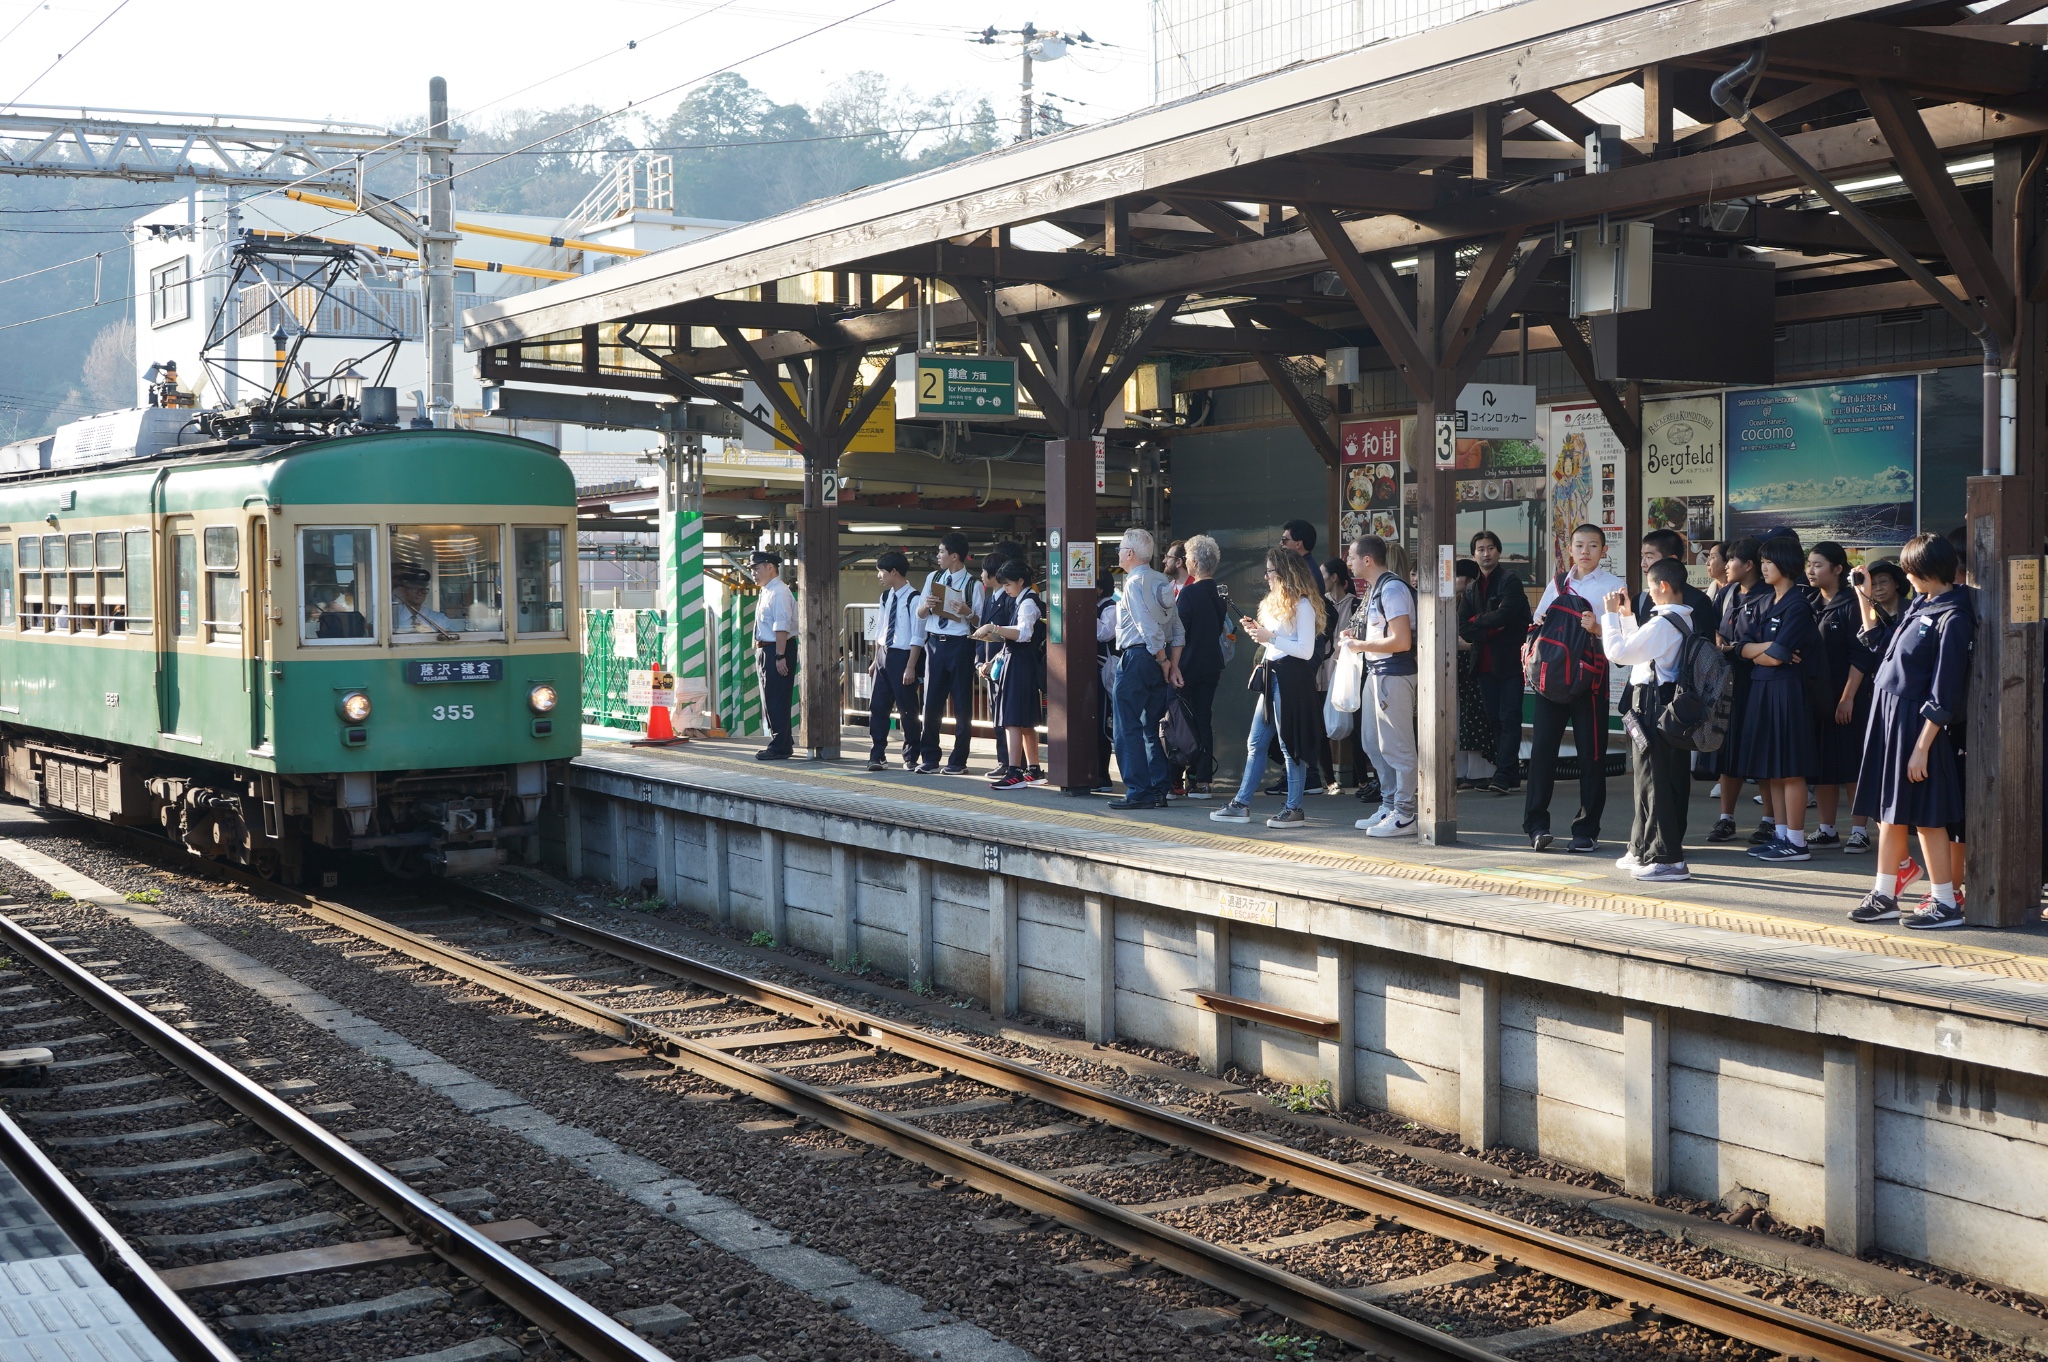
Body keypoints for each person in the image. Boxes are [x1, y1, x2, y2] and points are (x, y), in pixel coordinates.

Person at [1848, 533, 1975, 929]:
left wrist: (1922, 746)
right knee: (1890, 812)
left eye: (1909, 569)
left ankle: (1944, 902)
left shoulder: (1953, 616)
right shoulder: (1924, 603)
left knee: (1926, 814)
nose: (1905, 576)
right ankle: (1885, 893)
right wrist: (1864, 596)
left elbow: (1944, 690)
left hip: (1915, 725)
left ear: (1923, 569)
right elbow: (1880, 645)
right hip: (1889, 716)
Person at [1524, 523, 1625, 852]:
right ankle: (1536, 826)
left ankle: (1587, 829)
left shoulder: (1614, 586)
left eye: (1593, 546)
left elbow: (1625, 638)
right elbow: (1539, 623)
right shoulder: (1557, 583)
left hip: (1590, 683)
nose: (1585, 551)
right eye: (1579, 545)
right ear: (1570, 549)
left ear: (1603, 551)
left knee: (1591, 757)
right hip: (1550, 682)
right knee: (1541, 755)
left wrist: (1597, 627)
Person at [1210, 548, 1325, 831]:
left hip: (1290, 679)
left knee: (1289, 746)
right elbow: (1279, 642)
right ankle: (1241, 804)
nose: (1266, 576)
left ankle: (1293, 807)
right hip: (1273, 676)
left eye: (1270, 571)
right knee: (1256, 742)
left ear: (1285, 573)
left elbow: (1306, 650)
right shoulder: (1277, 604)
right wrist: (1261, 633)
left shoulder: (1303, 605)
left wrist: (1268, 636)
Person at [1602, 558, 1697, 881]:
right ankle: (1641, 847)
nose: (1648, 592)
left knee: (1656, 782)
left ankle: (1669, 858)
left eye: (1650, 586)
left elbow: (1620, 653)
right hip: (1662, 704)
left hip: (1654, 704)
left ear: (1663, 587)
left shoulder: (1663, 623)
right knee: (1648, 780)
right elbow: (1641, 651)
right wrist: (1627, 617)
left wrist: (1609, 617)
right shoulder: (1678, 621)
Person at [1736, 537, 1820, 862]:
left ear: (1785, 563)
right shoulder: (1767, 601)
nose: (1763, 567)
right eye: (1762, 561)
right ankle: (1782, 836)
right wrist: (1765, 649)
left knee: (1791, 768)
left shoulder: (1798, 605)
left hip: (1786, 690)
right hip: (1764, 688)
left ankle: (1796, 841)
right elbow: (1742, 647)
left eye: (1769, 561)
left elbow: (1777, 656)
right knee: (1772, 768)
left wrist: (1764, 652)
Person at [1341, 534, 1419, 837]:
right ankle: (1390, 804)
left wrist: (1360, 644)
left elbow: (1401, 640)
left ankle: (1405, 812)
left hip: (1394, 673)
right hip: (1377, 671)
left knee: (1397, 747)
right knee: (1373, 743)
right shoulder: (1377, 589)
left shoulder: (1393, 588)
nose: (1348, 561)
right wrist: (1356, 638)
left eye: (1351, 556)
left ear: (1367, 560)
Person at [1108, 529, 1181, 811]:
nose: (1118, 554)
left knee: (1127, 726)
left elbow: (1145, 626)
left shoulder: (1134, 583)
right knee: (1151, 727)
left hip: (1138, 657)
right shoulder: (1162, 580)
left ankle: (1139, 790)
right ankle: (1159, 789)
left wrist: (1164, 660)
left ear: (1129, 554)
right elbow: (1177, 628)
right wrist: (1171, 664)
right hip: (1157, 660)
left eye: (1120, 549)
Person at [1839, 561, 1907, 854]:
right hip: (1876, 696)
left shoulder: (1910, 612)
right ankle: (1893, 851)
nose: (1877, 589)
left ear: (1897, 584)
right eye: (1873, 583)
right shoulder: (1870, 612)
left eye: (1883, 582)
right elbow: (1865, 653)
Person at [1706, 538, 1766, 842]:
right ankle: (1725, 818)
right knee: (1728, 752)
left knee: (1760, 751)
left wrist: (1737, 648)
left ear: (1749, 565)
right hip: (1727, 680)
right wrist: (1721, 643)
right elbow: (1712, 627)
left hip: (1759, 681)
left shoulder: (1768, 595)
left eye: (1731, 560)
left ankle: (1769, 819)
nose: (1726, 565)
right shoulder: (1727, 593)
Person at [1465, 530, 1530, 794]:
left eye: (1490, 548)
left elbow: (1507, 615)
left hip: (1510, 662)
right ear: (1473, 554)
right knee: (1494, 720)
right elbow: (1462, 627)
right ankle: (1508, 772)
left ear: (1498, 551)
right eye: (1480, 549)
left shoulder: (1510, 580)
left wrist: (1477, 621)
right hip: (1483, 664)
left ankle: (1503, 774)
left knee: (1509, 718)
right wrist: (1488, 627)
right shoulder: (1470, 587)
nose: (1486, 553)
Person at [1806, 542, 1861, 847]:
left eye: (1818, 565)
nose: (1811, 570)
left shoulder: (1853, 604)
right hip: (1818, 697)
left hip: (1848, 696)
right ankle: (1826, 828)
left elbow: (1861, 655)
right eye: (1809, 564)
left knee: (1851, 764)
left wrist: (1848, 697)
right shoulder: (1810, 603)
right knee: (1823, 765)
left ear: (1838, 569)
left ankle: (1860, 831)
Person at [973, 558, 1045, 789]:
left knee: (1012, 719)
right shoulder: (1022, 600)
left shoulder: (1027, 603)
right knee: (1025, 722)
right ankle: (1033, 769)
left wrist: (994, 628)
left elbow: (1023, 633)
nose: (1005, 589)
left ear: (1021, 581)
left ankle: (1014, 772)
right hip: (1021, 662)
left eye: (1008, 585)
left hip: (1020, 664)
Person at [915, 533, 981, 775]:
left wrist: (967, 612)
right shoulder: (933, 577)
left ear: (955, 556)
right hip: (934, 645)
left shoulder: (973, 584)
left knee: (962, 704)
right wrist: (927, 606)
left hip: (961, 644)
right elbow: (920, 614)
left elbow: (980, 622)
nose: (938, 556)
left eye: (941, 552)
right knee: (931, 702)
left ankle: (958, 760)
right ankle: (929, 757)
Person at [1172, 535, 1229, 799]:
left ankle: (1178, 777)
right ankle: (1202, 779)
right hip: (1212, 664)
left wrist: (1172, 666)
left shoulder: (1189, 593)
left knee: (1182, 720)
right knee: (1203, 718)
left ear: (1193, 562)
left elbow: (1178, 633)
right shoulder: (1219, 592)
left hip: (1187, 665)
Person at [865, 551, 925, 773]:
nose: (879, 576)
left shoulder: (914, 598)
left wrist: (911, 666)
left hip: (903, 656)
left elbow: (918, 636)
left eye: (881, 571)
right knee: (878, 706)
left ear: (894, 572)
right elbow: (881, 629)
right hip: (884, 656)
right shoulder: (885, 597)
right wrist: (875, 660)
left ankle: (911, 756)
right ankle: (877, 754)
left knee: (907, 708)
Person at [1453, 559, 1496, 790]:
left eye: (1457, 576)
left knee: (1475, 717)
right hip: (1459, 664)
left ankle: (1480, 771)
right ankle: (1462, 771)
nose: (1452, 581)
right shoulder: (1452, 602)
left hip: (1474, 662)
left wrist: (1466, 645)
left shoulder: (1475, 601)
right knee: (1461, 718)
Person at [751, 550, 797, 761]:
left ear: (770, 567)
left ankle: (780, 746)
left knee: (777, 697)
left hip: (778, 648)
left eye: (757, 568)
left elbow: (782, 626)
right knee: (769, 697)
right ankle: (782, 740)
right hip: (766, 649)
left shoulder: (779, 591)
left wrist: (780, 656)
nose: (754, 573)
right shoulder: (767, 590)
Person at [1319, 556, 1358, 796]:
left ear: (1334, 578)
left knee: (1352, 724)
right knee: (1321, 724)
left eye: (1323, 575)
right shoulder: (1319, 603)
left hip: (1343, 670)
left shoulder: (1356, 604)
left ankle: (1362, 779)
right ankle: (1330, 780)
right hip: (1320, 669)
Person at [1636, 528, 1719, 637]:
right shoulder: (1640, 599)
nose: (1643, 564)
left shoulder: (1698, 601)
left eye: (1649, 557)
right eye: (1643, 557)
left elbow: (1704, 648)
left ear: (1672, 559)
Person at [392, 566, 458, 638]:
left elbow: (455, 638)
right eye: (415, 589)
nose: (420, 593)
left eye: (423, 590)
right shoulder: (393, 617)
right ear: (405, 590)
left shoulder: (438, 619)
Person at [1280, 519, 1327, 595]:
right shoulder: (1304, 566)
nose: (1281, 543)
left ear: (1298, 544)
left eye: (1284, 540)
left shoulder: (1305, 571)